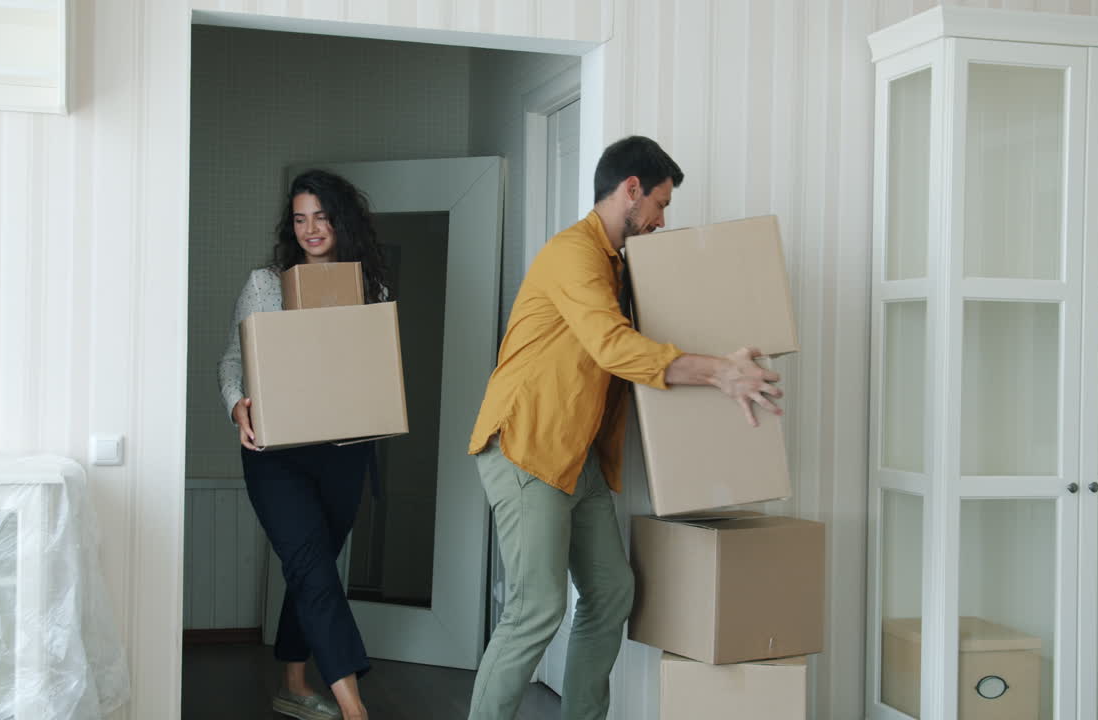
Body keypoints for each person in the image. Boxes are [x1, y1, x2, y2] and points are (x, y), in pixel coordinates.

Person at [465, 136, 784, 720]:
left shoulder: (620, 265)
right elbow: (614, 348)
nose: (662, 220)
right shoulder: (573, 253)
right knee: (536, 609)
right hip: (527, 446)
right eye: (661, 204)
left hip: (577, 456)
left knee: (611, 591)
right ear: (631, 190)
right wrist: (720, 374)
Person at [218, 169, 390, 720]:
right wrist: (237, 404)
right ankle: (354, 708)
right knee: (312, 567)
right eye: (299, 219)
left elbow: (371, 366)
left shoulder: (370, 287)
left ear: (342, 220)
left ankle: (293, 682)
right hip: (276, 453)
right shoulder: (266, 283)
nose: (310, 229)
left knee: (312, 565)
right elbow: (233, 360)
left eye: (321, 216)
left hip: (343, 450)